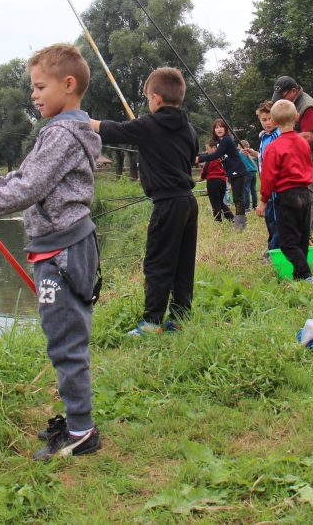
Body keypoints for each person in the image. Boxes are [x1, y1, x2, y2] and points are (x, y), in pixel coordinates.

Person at [0, 43, 102, 461]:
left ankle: (82, 431)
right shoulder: (62, 132)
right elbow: (22, 177)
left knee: (65, 341)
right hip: (60, 248)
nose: (33, 94)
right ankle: (78, 419)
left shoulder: (62, 134)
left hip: (62, 253)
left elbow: (28, 190)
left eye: (39, 86)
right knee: (63, 337)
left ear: (68, 85)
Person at [91, 67, 199, 336]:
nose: (149, 103)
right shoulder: (189, 129)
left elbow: (109, 130)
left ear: (157, 98)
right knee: (183, 263)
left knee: (157, 263)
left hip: (167, 205)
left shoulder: (149, 125)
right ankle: (180, 317)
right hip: (188, 203)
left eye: (148, 98)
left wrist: (77, 118)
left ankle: (152, 323)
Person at [257, 99, 313, 282]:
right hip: (305, 194)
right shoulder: (303, 143)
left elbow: (268, 176)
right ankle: (299, 276)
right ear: (297, 117)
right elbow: (309, 165)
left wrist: (263, 200)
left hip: (287, 197)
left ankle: (306, 274)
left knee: (287, 242)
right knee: (302, 237)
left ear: (273, 122)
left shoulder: (273, 147)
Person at [270, 76, 313, 235]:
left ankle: (305, 242)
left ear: (294, 91)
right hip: (299, 161)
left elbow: (308, 136)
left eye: (283, 96)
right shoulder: (293, 105)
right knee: (303, 203)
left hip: (312, 162)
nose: (281, 101)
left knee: (307, 202)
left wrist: (283, 140)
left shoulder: (307, 107)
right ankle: (310, 238)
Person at [197, 118, 248, 230]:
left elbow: (215, 155)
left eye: (221, 127)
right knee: (237, 199)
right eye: (216, 127)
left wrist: (199, 159)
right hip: (232, 173)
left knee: (238, 199)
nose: (219, 129)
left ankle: (240, 225)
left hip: (239, 171)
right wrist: (198, 156)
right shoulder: (220, 142)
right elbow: (210, 152)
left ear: (225, 128)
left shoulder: (226, 139)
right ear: (214, 130)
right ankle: (239, 224)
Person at [253, 100, 281, 255]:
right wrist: (254, 154)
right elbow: (264, 158)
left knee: (277, 219)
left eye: (271, 118)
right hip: (266, 185)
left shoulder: (278, 135)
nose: (268, 122)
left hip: (277, 187)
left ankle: (274, 250)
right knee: (270, 218)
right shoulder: (264, 137)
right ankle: (273, 246)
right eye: (264, 120)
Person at [200, 138, 234, 222]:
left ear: (214, 148)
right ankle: (231, 218)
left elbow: (205, 170)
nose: (207, 151)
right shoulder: (222, 157)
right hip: (222, 181)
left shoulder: (210, 158)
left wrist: (201, 178)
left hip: (212, 182)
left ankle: (218, 221)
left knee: (215, 203)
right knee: (220, 202)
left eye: (208, 149)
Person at [239, 139, 259, 212]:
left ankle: (247, 208)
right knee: (253, 190)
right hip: (254, 172)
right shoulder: (252, 153)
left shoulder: (241, 153)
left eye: (238, 146)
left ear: (241, 146)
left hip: (247, 173)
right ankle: (255, 206)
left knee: (246, 190)